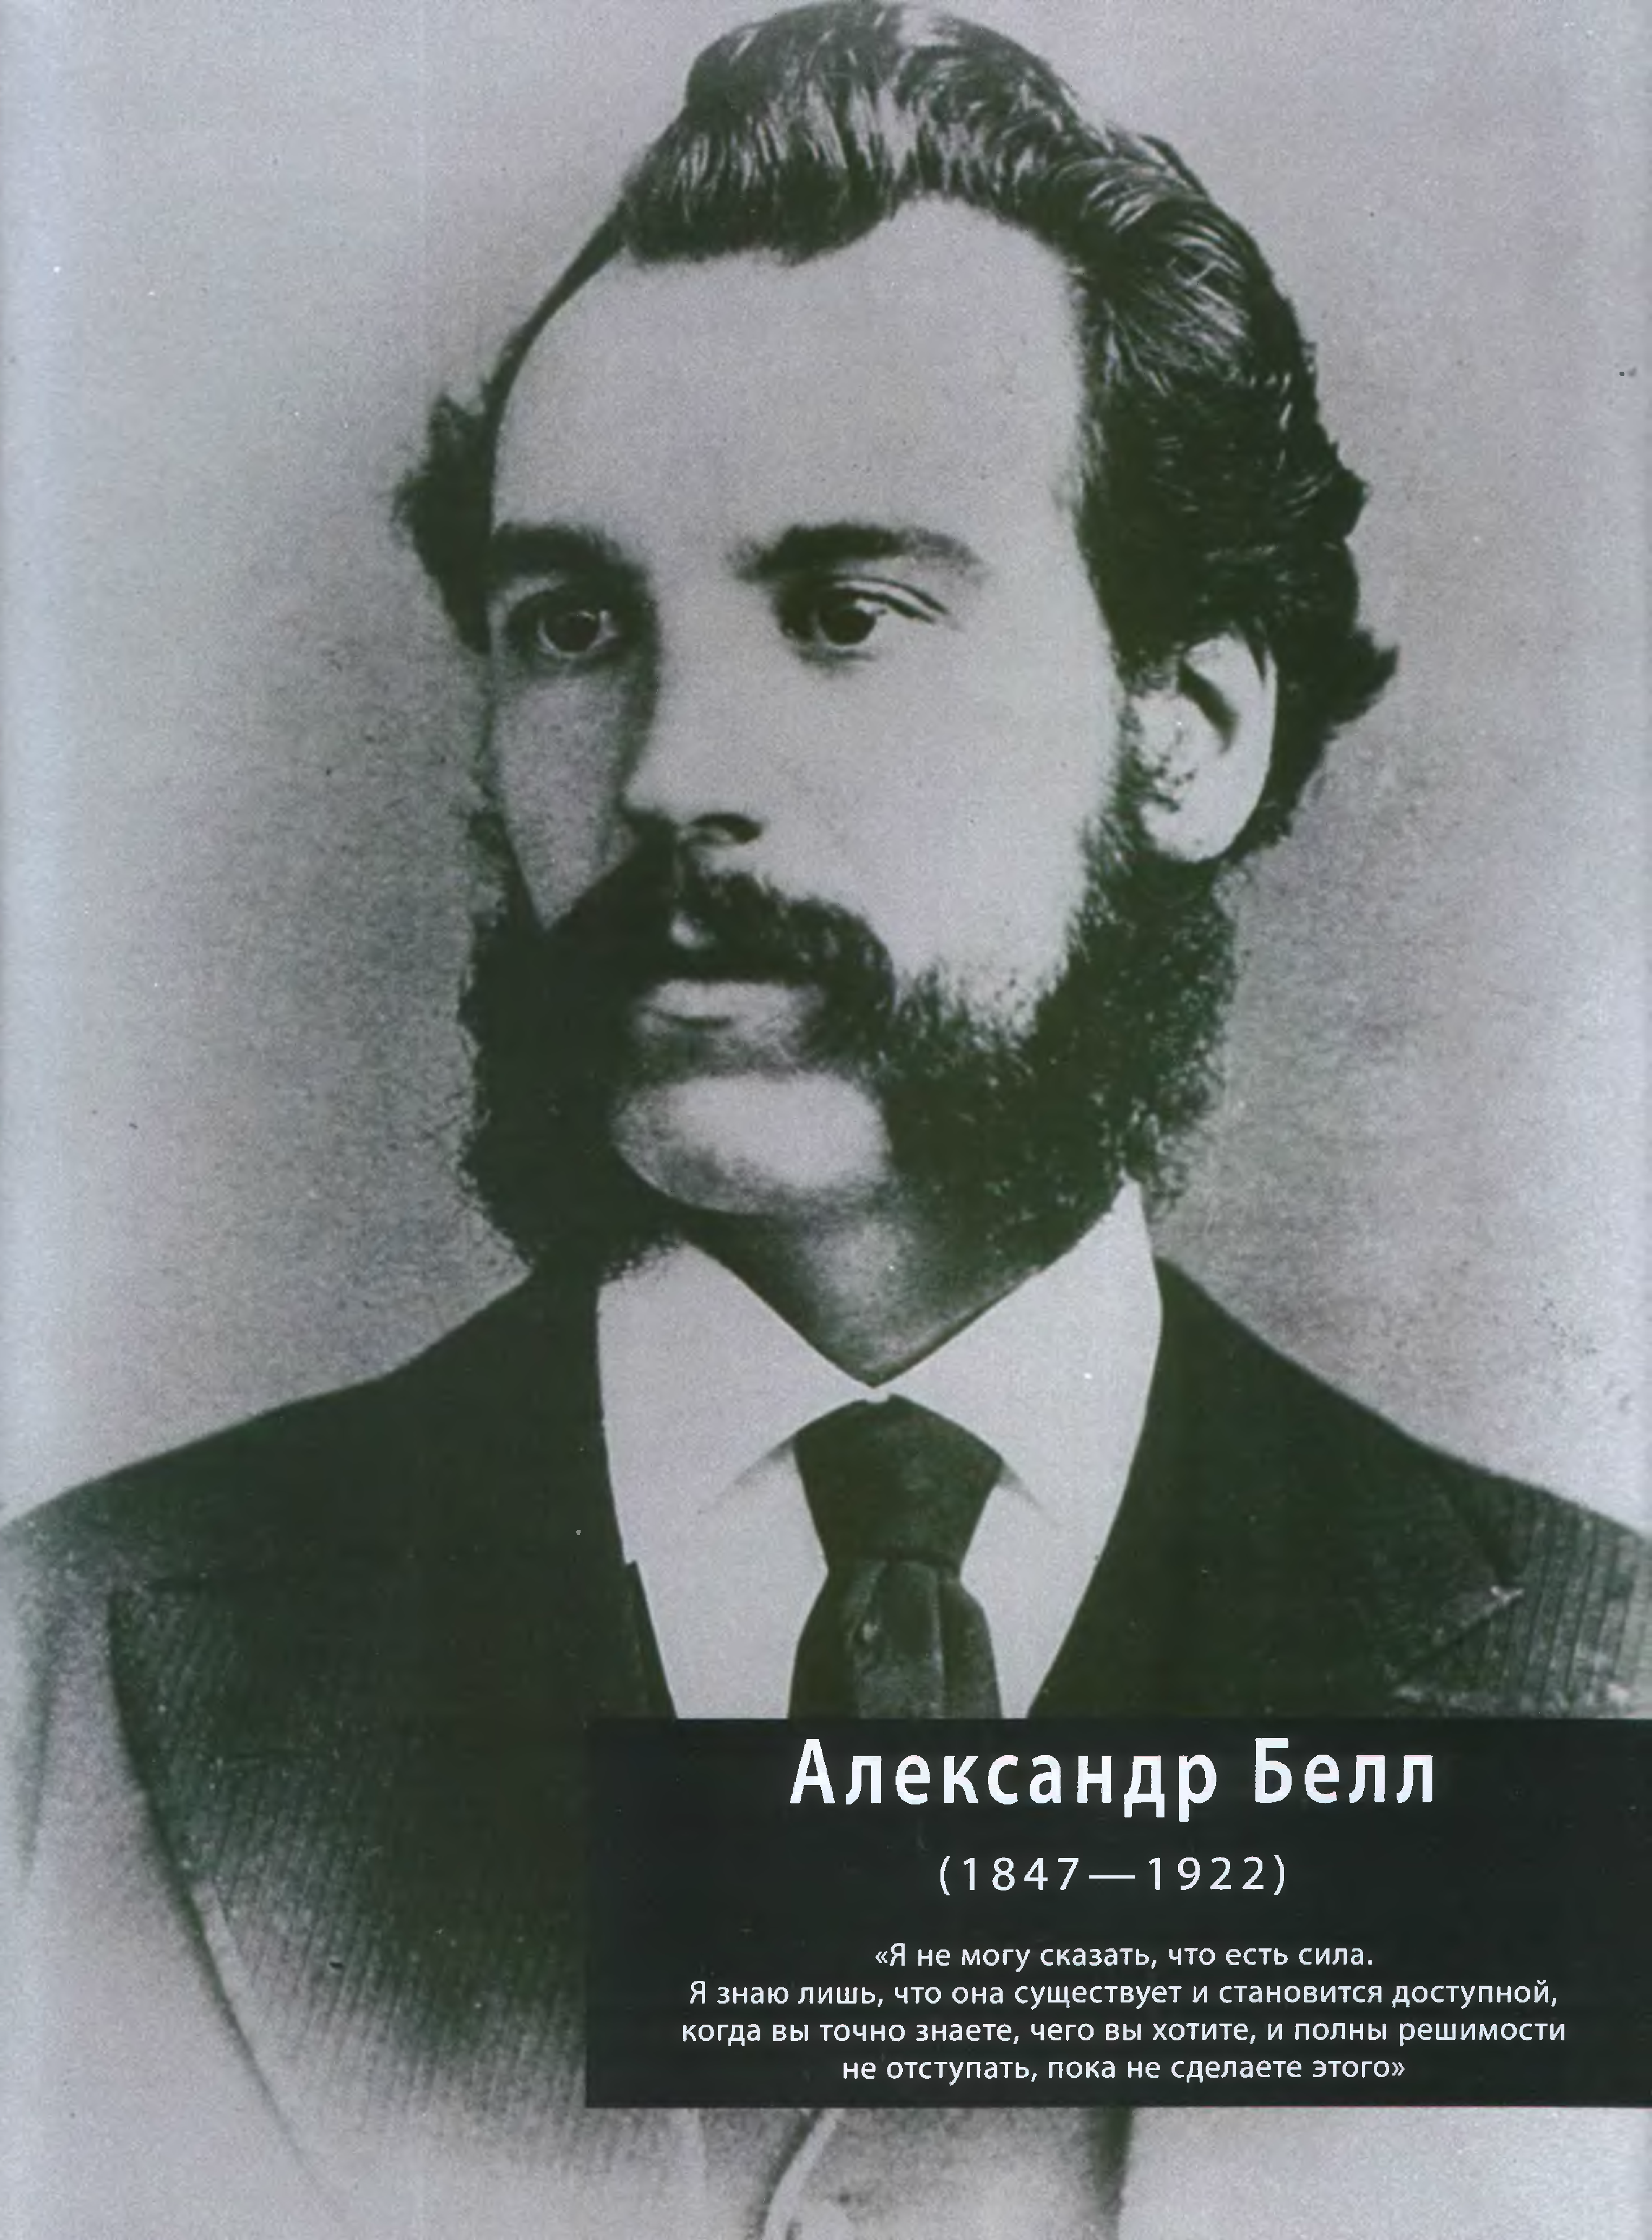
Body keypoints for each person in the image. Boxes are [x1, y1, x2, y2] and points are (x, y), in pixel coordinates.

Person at [4, 5, 1646, 2236]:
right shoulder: (66, 1675)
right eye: (571, 624)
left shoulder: (1589, 1683)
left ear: (1187, 731)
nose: (670, 771)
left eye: (846, 611)